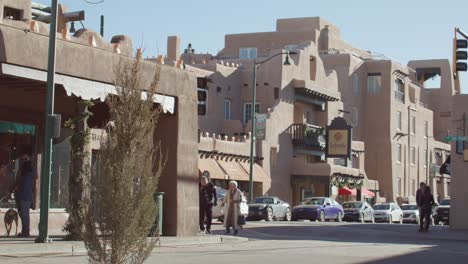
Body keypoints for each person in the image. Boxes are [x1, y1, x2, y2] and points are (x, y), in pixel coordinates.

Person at [9, 152, 34, 237]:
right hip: (22, 195)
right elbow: (19, 181)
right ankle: (24, 231)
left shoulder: (28, 170)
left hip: (25, 196)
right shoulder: (23, 169)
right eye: (22, 159)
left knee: (25, 214)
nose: (23, 161)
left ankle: (26, 232)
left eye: (25, 159)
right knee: (22, 214)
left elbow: (23, 183)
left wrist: (15, 188)